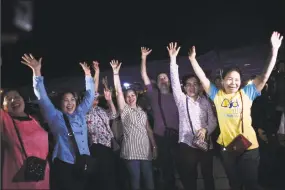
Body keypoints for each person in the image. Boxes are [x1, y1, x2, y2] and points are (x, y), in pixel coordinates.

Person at [188, 31, 283, 190]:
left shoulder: (247, 93)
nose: (233, 83)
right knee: (234, 184)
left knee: (251, 184)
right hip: (227, 150)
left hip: (249, 148)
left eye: (237, 80)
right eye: (230, 79)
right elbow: (203, 80)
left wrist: (274, 51)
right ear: (223, 81)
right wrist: (192, 59)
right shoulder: (217, 95)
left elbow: (264, 75)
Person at [21, 54, 96, 190]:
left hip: (84, 162)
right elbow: (42, 97)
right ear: (60, 103)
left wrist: (88, 75)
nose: (70, 103)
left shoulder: (80, 113)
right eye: (66, 100)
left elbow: (90, 96)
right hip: (65, 164)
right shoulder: (55, 116)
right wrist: (36, 72)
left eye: (72, 99)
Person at [167, 42, 217, 190]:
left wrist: (206, 130)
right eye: (188, 84)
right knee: (190, 177)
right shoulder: (181, 100)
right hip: (187, 144)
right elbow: (174, 82)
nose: (192, 86)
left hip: (205, 143)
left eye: (195, 84)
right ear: (184, 87)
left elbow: (213, 121)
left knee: (208, 175)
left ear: (199, 86)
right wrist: (173, 60)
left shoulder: (205, 102)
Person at [111, 59, 157, 190]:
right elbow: (118, 91)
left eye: (132, 95)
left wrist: (154, 146)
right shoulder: (124, 110)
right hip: (130, 151)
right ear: (125, 99)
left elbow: (148, 129)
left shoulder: (142, 111)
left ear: (136, 96)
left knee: (149, 181)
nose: (130, 98)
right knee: (135, 182)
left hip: (145, 149)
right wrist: (115, 73)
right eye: (128, 96)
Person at [140, 47, 179, 190]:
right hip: (161, 136)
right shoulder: (153, 94)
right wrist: (144, 57)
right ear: (156, 82)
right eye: (160, 78)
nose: (163, 79)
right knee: (166, 166)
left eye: (165, 77)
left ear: (169, 80)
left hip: (177, 135)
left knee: (179, 164)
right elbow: (144, 74)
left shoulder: (177, 95)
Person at [1, 89, 50, 189]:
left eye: (16, 96)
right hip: (20, 180)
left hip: (41, 175)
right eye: (8, 99)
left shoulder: (34, 119)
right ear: (3, 107)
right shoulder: (5, 121)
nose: (13, 100)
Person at [85, 61, 118, 190]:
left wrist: (109, 101)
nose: (96, 99)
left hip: (108, 146)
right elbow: (92, 90)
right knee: (101, 179)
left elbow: (114, 115)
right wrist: (97, 72)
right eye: (93, 98)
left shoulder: (100, 110)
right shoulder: (86, 111)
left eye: (97, 98)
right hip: (96, 147)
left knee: (110, 177)